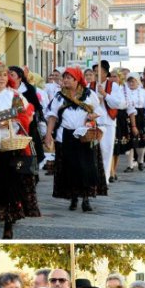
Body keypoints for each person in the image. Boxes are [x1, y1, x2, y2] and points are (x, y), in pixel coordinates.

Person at [0, 62, 41, 239]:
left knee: (10, 188)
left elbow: (26, 116)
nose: (2, 78)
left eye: (4, 75)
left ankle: (9, 225)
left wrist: (8, 122)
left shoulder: (13, 95)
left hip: (9, 145)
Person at [44, 67, 107, 212]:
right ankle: (73, 198)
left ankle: (86, 198)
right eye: (64, 77)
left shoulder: (88, 94)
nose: (65, 80)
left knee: (85, 168)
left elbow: (98, 111)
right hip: (64, 136)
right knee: (70, 168)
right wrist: (48, 135)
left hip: (84, 136)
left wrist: (92, 116)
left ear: (76, 79)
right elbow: (53, 116)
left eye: (68, 77)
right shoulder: (59, 96)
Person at [89, 60, 125, 179]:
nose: (95, 73)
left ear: (105, 73)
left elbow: (120, 104)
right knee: (93, 150)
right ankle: (94, 176)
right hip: (93, 122)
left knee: (106, 150)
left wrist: (105, 95)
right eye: (94, 71)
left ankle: (104, 178)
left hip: (108, 121)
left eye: (97, 71)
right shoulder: (90, 86)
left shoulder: (113, 86)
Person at [122, 73, 145, 172]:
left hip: (141, 117)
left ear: (138, 82)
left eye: (133, 81)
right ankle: (130, 165)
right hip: (127, 116)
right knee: (129, 142)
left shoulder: (144, 93)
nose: (131, 83)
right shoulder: (124, 92)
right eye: (129, 81)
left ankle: (140, 160)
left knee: (142, 141)